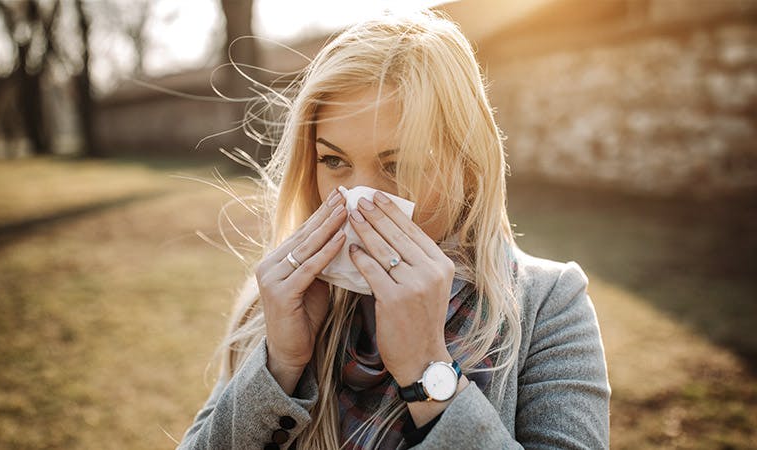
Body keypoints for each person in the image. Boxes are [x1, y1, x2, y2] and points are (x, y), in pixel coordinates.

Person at [177, 9, 610, 450]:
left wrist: (427, 370)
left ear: (469, 168)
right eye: (334, 161)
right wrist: (280, 365)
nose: (359, 200)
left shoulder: (549, 306)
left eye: (398, 165)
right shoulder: (277, 302)